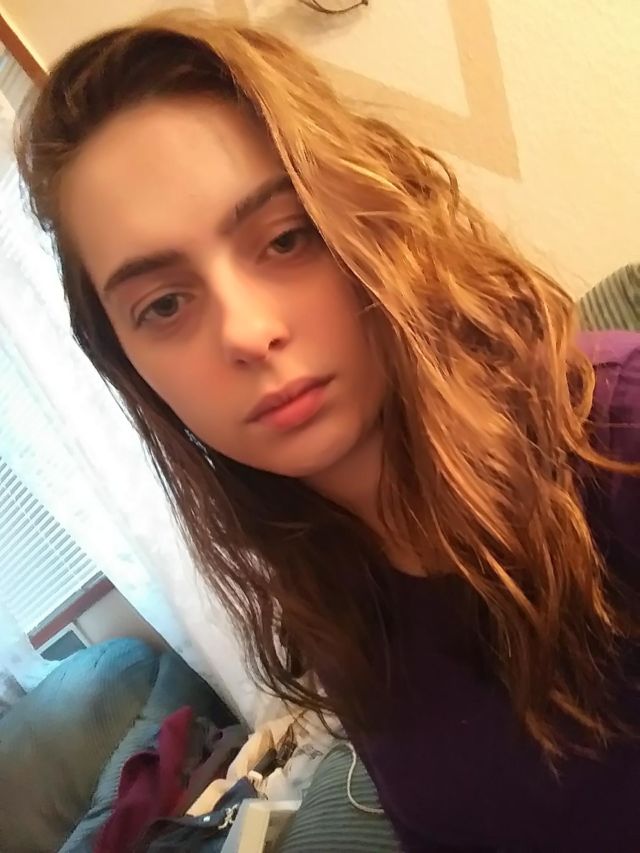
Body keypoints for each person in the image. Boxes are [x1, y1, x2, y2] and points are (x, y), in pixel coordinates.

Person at [16, 11, 640, 851]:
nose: (248, 331)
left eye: (286, 238)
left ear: (370, 216)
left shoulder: (615, 441)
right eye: (163, 304)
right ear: (132, 370)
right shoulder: (328, 577)